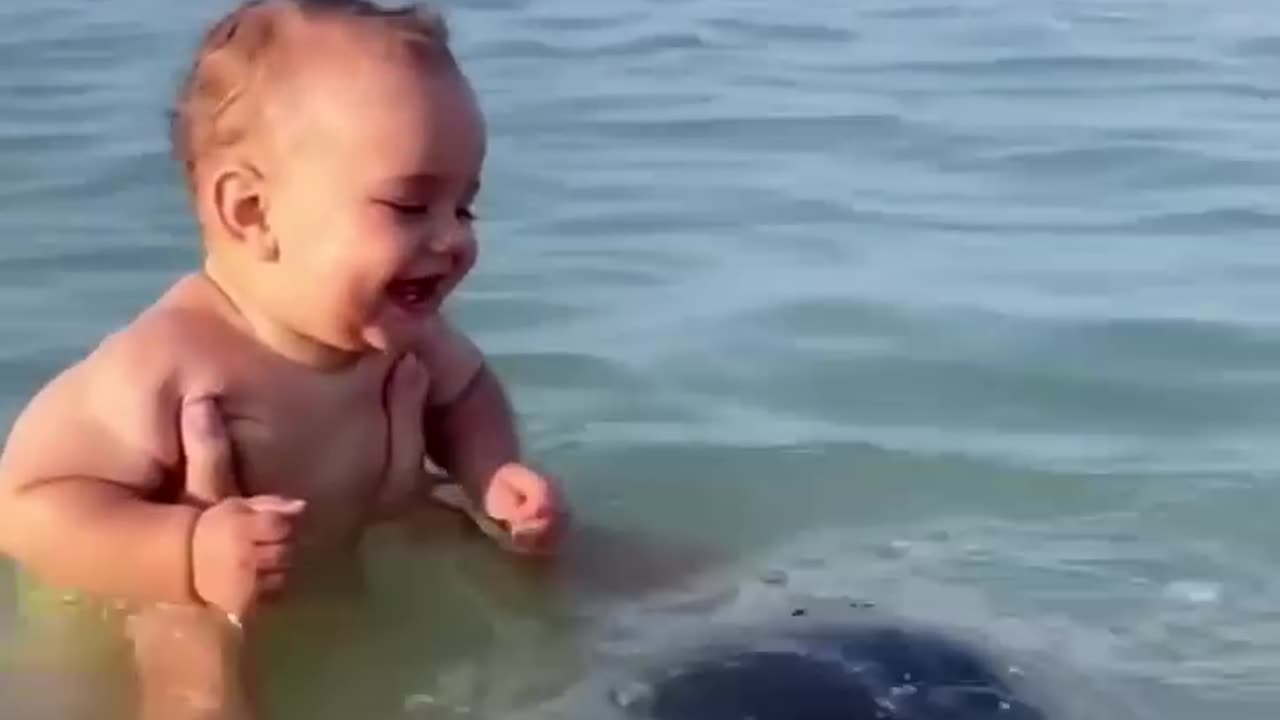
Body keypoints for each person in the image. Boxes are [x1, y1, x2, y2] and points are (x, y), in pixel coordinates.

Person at [0, 0, 568, 716]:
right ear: (251, 212)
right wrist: (185, 553)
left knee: (546, 573)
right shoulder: (172, 362)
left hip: (334, 564)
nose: (452, 238)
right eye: (408, 206)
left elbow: (465, 393)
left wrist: (491, 472)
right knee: (193, 684)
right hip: (157, 600)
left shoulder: (401, 334)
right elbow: (24, 504)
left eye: (466, 207)